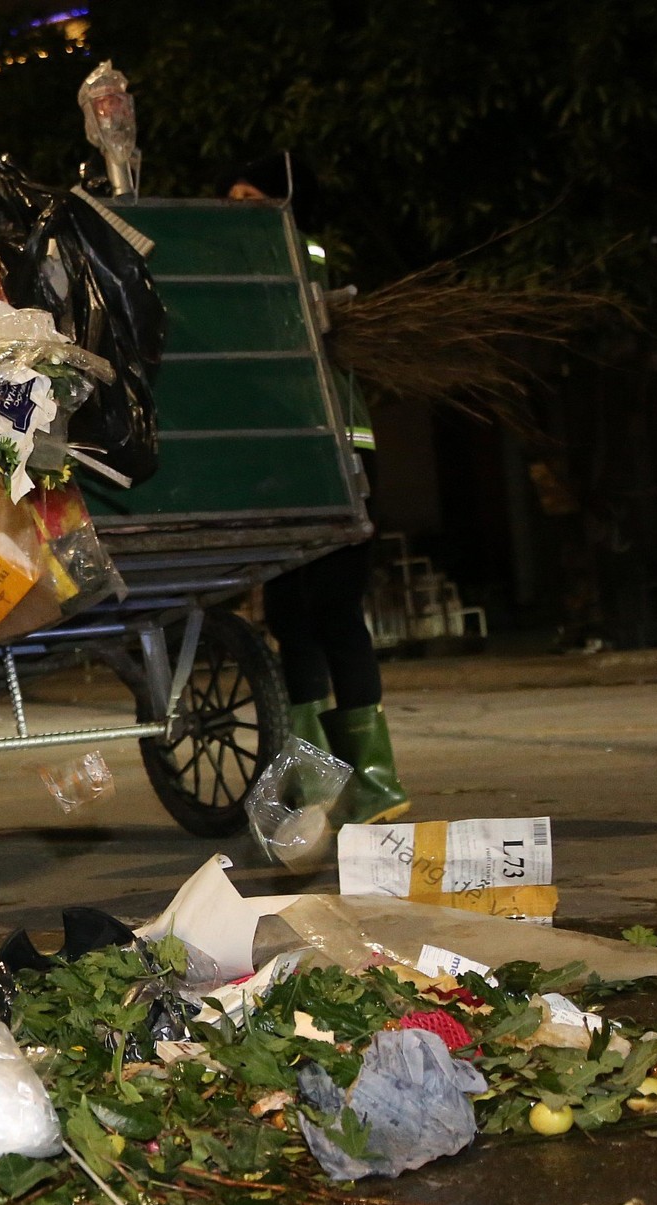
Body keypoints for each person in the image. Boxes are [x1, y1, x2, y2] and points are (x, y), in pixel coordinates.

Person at [227, 160, 411, 824]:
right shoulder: (281, 262)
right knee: (301, 619)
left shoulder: (288, 256)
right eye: (232, 199)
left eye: (251, 197)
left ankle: (355, 783)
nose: (239, 208)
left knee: (325, 615)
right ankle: (336, 785)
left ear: (281, 201)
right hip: (308, 457)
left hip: (328, 456)